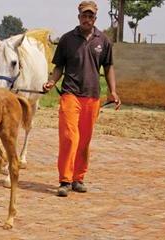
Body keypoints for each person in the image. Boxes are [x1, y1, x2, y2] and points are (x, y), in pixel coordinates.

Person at [43, 0, 121, 197]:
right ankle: (65, 180)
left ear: (95, 18)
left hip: (92, 96)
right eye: (84, 15)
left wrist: (113, 91)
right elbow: (59, 66)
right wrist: (52, 81)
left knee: (84, 140)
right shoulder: (67, 40)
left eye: (91, 16)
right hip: (70, 93)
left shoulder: (103, 40)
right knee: (69, 136)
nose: (87, 19)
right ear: (78, 17)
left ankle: (78, 178)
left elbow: (108, 67)